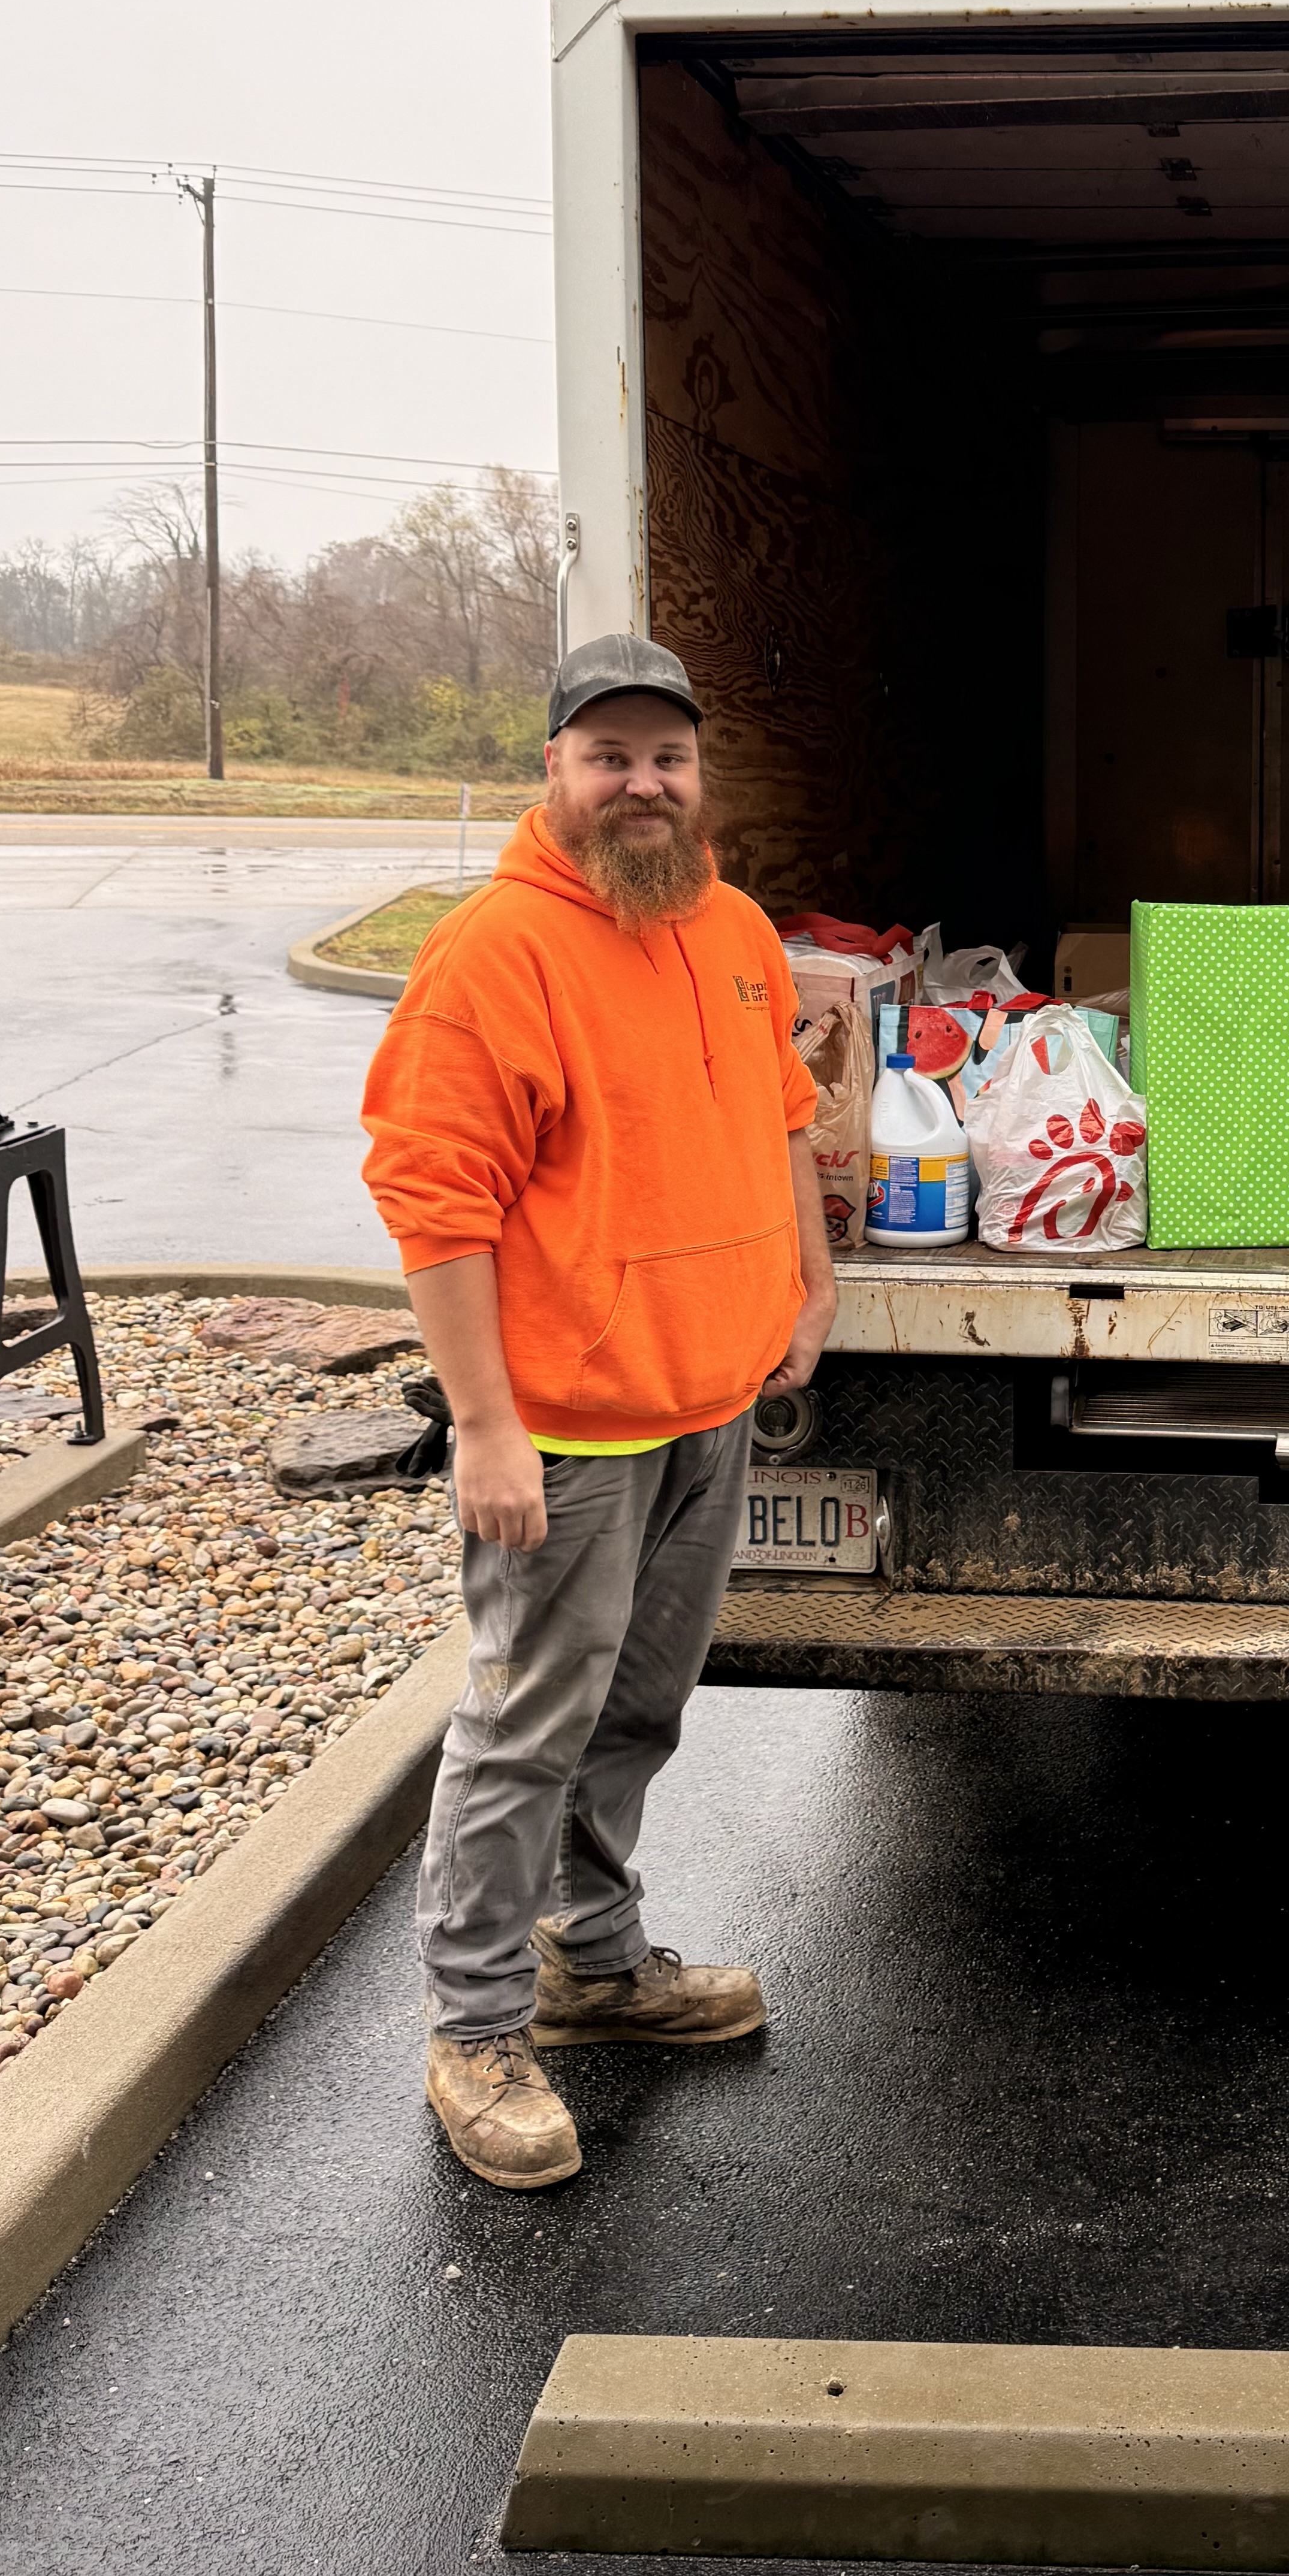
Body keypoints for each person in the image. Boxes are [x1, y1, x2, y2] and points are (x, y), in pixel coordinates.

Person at [361, 634, 835, 2188]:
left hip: (705, 1406)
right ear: (553, 773)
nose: (642, 783)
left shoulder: (737, 930)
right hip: (566, 1431)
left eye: (667, 758)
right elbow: (433, 1200)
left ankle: (596, 1966)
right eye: (608, 754)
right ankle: (479, 2030)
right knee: (524, 1729)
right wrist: (484, 1425)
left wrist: (806, 1283)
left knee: (635, 1715)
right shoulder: (494, 953)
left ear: (699, 778)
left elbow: (778, 1113)